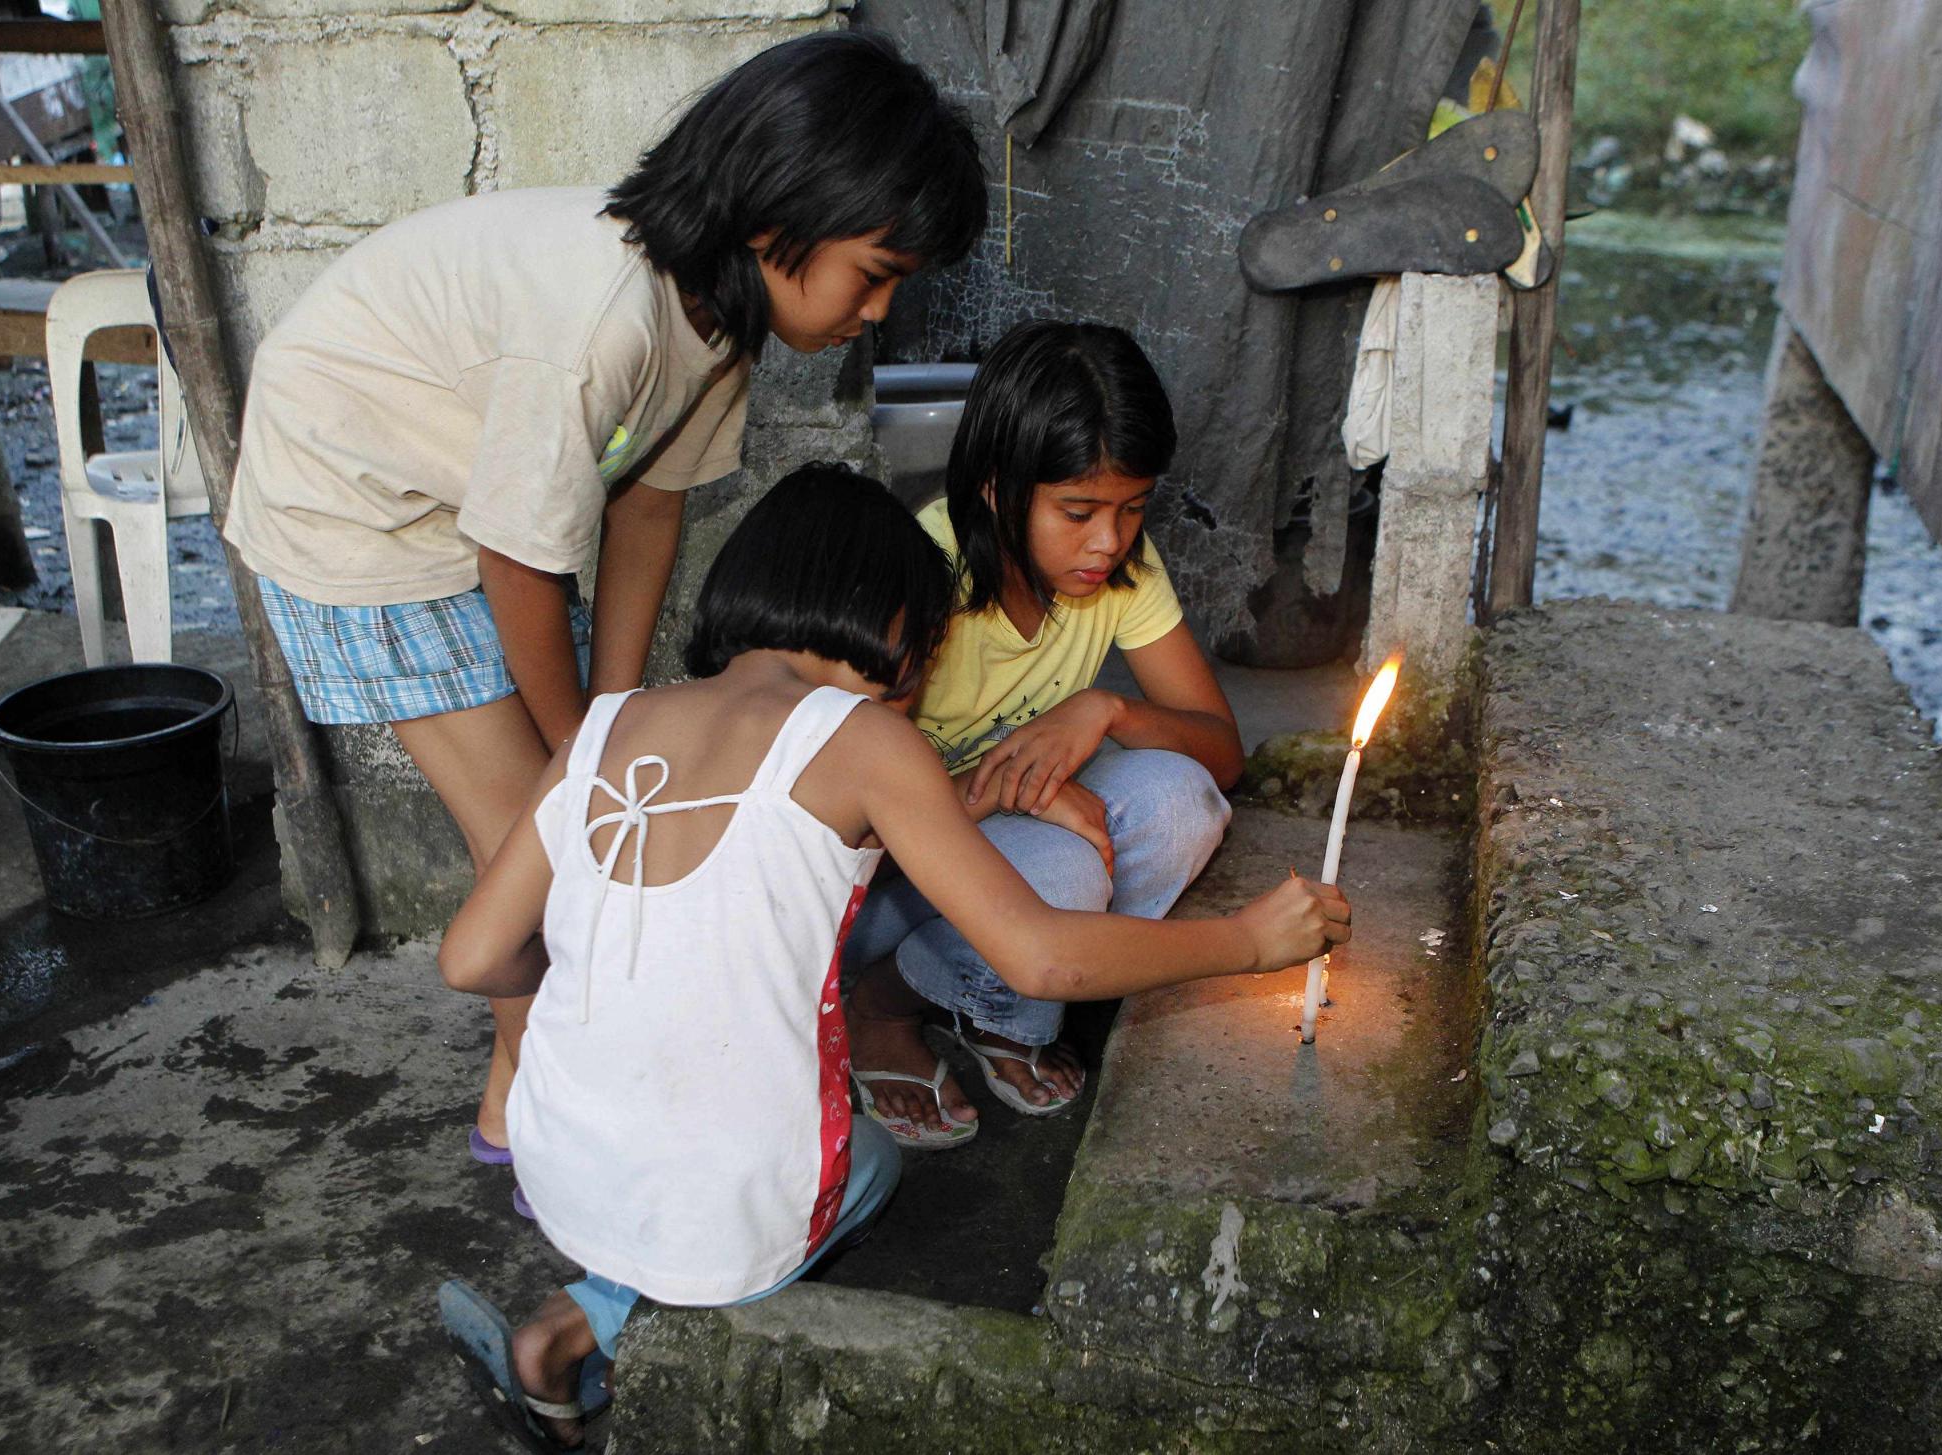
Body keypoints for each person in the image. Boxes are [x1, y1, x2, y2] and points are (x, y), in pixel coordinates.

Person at [435, 465, 1349, 1452]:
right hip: (729, 1202)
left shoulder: (600, 726)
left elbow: (472, 955)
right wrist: (1246, 942)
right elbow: (1038, 957)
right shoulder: (863, 737)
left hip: (559, 1166)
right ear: (892, 627)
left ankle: (576, 1318)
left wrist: (601, 966)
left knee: (687, 1122)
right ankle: (618, 1320)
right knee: (869, 1162)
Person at [220, 32, 986, 1175]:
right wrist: (584, 755)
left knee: (573, 819)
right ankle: (528, 1126)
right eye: (873, 274)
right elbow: (518, 567)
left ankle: (535, 1100)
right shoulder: (605, 324)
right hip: (353, 511)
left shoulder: (720, 325)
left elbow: (645, 513)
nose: (877, 312)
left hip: (463, 510)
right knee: (539, 865)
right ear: (779, 219)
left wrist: (609, 718)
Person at [845, 320, 1248, 1142]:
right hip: (874, 881)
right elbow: (850, 828)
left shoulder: (1117, 569)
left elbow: (1222, 753)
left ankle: (996, 1013)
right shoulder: (923, 577)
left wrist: (1107, 709)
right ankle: (880, 1005)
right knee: (1064, 873)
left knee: (1184, 801)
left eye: (1133, 508)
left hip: (993, 834)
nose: (1109, 539)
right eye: (1078, 510)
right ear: (997, 487)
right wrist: (1015, 789)